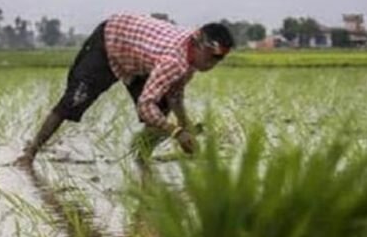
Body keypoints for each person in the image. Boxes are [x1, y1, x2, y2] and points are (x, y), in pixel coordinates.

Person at [13, 14, 234, 167]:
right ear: (197, 43)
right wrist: (177, 132)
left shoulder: (189, 61)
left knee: (163, 107)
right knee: (73, 101)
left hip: (137, 59)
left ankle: (141, 159)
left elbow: (174, 94)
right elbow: (145, 105)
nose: (213, 64)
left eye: (220, 59)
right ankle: (29, 154)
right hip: (110, 43)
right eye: (212, 56)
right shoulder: (173, 61)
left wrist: (185, 126)